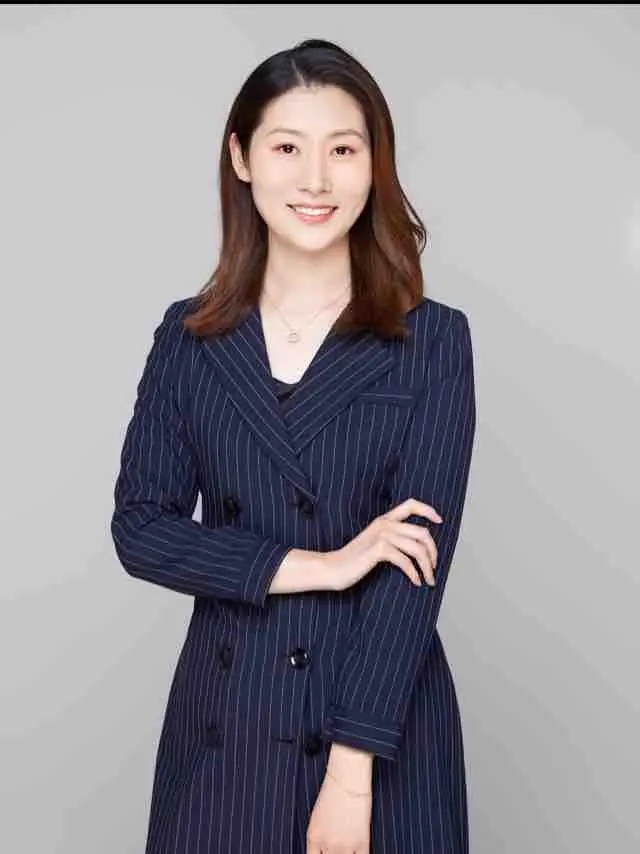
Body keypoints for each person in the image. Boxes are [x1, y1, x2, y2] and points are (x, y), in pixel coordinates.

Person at [110, 37, 477, 854]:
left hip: (376, 723)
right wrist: (321, 565)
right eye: (287, 148)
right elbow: (141, 528)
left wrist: (351, 776)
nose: (316, 180)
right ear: (242, 158)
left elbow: (415, 572)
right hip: (226, 720)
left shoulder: (432, 340)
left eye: (343, 150)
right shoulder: (190, 338)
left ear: (374, 165)